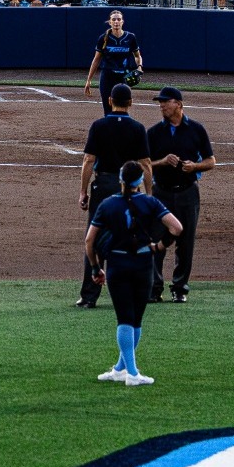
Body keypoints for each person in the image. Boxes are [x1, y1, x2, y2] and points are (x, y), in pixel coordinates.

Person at [84, 161, 183, 387]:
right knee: (135, 319)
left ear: (121, 180)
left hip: (118, 264)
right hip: (143, 263)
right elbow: (176, 228)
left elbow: (89, 240)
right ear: (140, 182)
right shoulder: (150, 202)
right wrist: (159, 246)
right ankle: (124, 369)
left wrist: (94, 267)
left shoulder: (108, 205)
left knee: (124, 319)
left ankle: (130, 372)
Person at [75, 82, 154, 308]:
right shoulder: (138, 128)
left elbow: (89, 160)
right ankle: (130, 292)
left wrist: (83, 191)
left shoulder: (99, 126)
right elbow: (146, 164)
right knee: (131, 238)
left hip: (103, 186)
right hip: (130, 190)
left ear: (110, 101)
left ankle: (89, 296)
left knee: (95, 237)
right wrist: (149, 194)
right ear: (130, 103)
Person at [146, 86, 214, 305]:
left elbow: (210, 161)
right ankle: (154, 288)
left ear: (179, 104)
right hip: (161, 192)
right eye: (160, 102)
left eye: (166, 102)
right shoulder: (154, 132)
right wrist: (163, 162)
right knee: (156, 239)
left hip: (187, 192)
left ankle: (179, 288)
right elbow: (144, 165)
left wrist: (194, 167)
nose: (162, 106)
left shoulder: (196, 129)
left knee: (186, 243)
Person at [82, 9, 142, 114]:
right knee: (107, 108)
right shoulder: (103, 38)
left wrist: (139, 66)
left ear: (123, 22)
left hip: (124, 78)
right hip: (107, 77)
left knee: (122, 108)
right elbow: (96, 60)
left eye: (119, 19)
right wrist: (89, 80)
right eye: (113, 19)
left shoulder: (130, 37)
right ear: (110, 22)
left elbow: (137, 56)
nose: (116, 22)